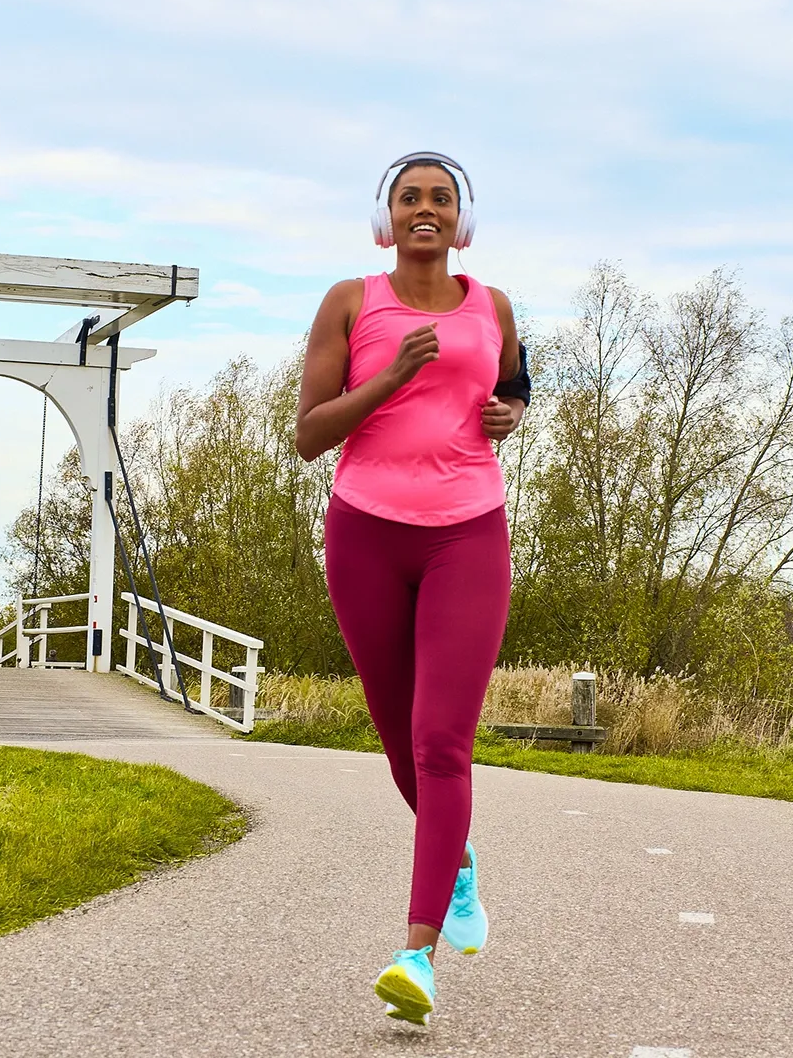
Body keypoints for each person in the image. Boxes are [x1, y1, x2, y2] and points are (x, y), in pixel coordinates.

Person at [294, 151, 526, 1027]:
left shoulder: (492, 306)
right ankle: (457, 863)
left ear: (460, 221)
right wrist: (389, 378)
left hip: (468, 532)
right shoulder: (351, 302)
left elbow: (511, 388)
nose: (424, 210)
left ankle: (417, 953)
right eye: (409, 198)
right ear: (386, 218)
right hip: (364, 532)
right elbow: (308, 436)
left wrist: (511, 415)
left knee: (440, 742)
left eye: (440, 199)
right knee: (397, 739)